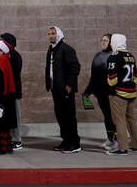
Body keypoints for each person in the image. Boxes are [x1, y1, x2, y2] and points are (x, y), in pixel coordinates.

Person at [46, 25, 81, 153]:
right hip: (56, 89)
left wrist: (69, 85)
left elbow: (75, 67)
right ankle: (66, 141)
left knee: (69, 117)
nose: (50, 36)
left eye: (53, 33)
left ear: (59, 35)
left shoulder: (66, 49)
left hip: (66, 89)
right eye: (49, 34)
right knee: (60, 116)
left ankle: (74, 144)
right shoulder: (51, 49)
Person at [105, 34, 137, 155]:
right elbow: (135, 77)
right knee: (131, 119)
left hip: (120, 94)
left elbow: (112, 80)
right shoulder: (131, 56)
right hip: (132, 92)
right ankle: (136, 146)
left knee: (120, 121)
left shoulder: (113, 57)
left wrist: (110, 86)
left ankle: (123, 148)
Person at [83, 33, 116, 150]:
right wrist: (88, 91)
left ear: (111, 43)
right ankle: (110, 137)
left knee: (113, 117)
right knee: (107, 116)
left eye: (105, 41)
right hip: (100, 92)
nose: (103, 42)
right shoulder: (98, 55)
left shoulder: (114, 55)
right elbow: (94, 76)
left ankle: (116, 140)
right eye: (102, 40)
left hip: (111, 92)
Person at [0, 33, 24, 150]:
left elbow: (12, 75)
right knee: (8, 117)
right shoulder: (3, 55)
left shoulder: (14, 56)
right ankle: (9, 138)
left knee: (15, 116)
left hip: (12, 92)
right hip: (5, 91)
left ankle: (17, 140)